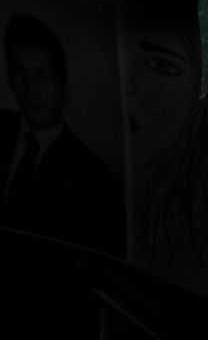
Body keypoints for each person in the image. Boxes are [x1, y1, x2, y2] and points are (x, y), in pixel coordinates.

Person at [0, 13, 124, 254]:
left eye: (42, 76)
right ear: (8, 76)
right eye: (20, 72)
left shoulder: (98, 181)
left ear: (64, 88)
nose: (31, 89)